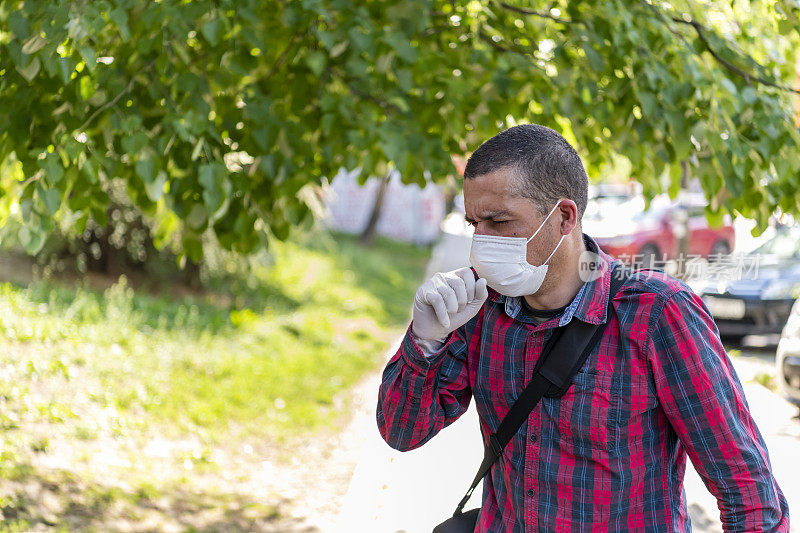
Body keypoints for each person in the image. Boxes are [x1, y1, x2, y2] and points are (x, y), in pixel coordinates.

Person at [376, 124, 789, 531]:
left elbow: (749, 494)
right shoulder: (480, 308)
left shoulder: (657, 314)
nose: (480, 243)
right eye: (473, 224)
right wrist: (425, 341)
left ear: (564, 217)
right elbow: (402, 431)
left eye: (498, 222)